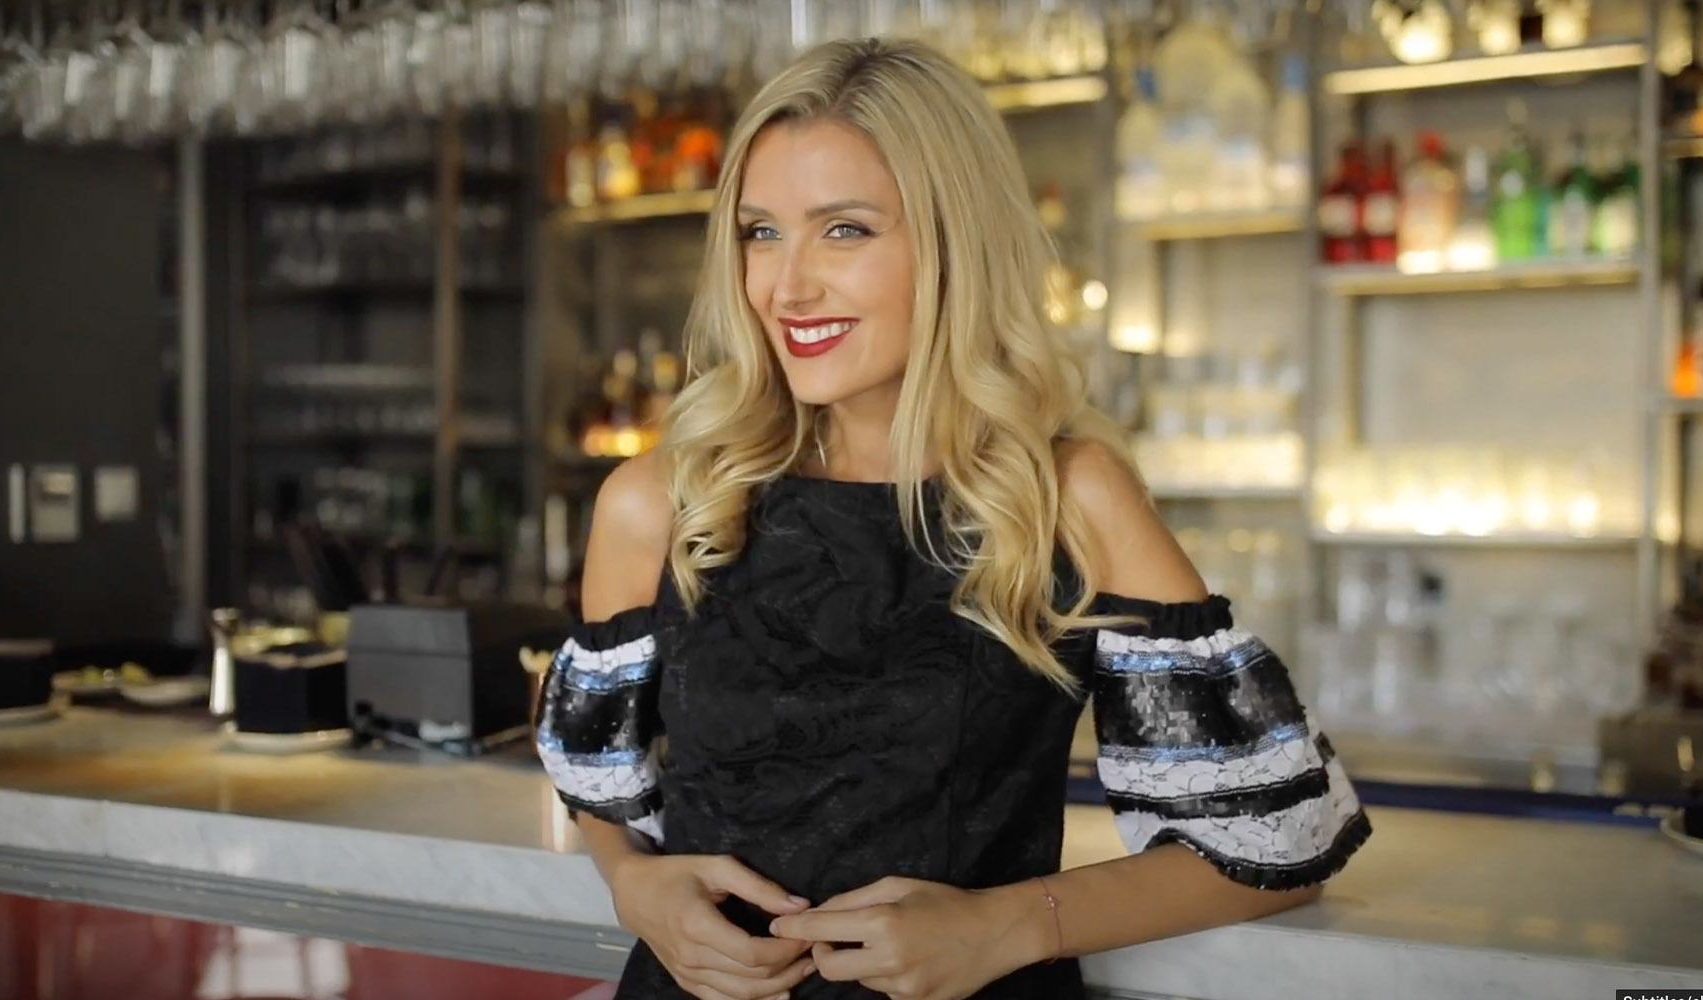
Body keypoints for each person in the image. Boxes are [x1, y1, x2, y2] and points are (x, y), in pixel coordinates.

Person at [536, 36, 1371, 1000]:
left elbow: (1277, 841)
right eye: (761, 232)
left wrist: (1006, 925)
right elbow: (604, 790)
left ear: (952, 241)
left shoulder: (1066, 498)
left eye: (844, 230)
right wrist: (632, 885)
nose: (787, 285)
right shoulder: (660, 504)